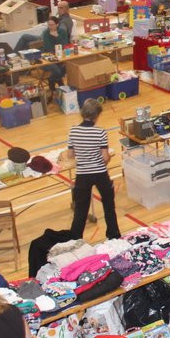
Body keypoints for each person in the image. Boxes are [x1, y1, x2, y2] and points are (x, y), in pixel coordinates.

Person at [68, 98, 119, 239]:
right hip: (100, 173)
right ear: (96, 115)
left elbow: (70, 155)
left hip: (82, 175)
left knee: (80, 210)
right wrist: (108, 158)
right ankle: (113, 235)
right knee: (109, 205)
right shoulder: (100, 132)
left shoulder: (73, 131)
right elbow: (105, 157)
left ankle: (75, 239)